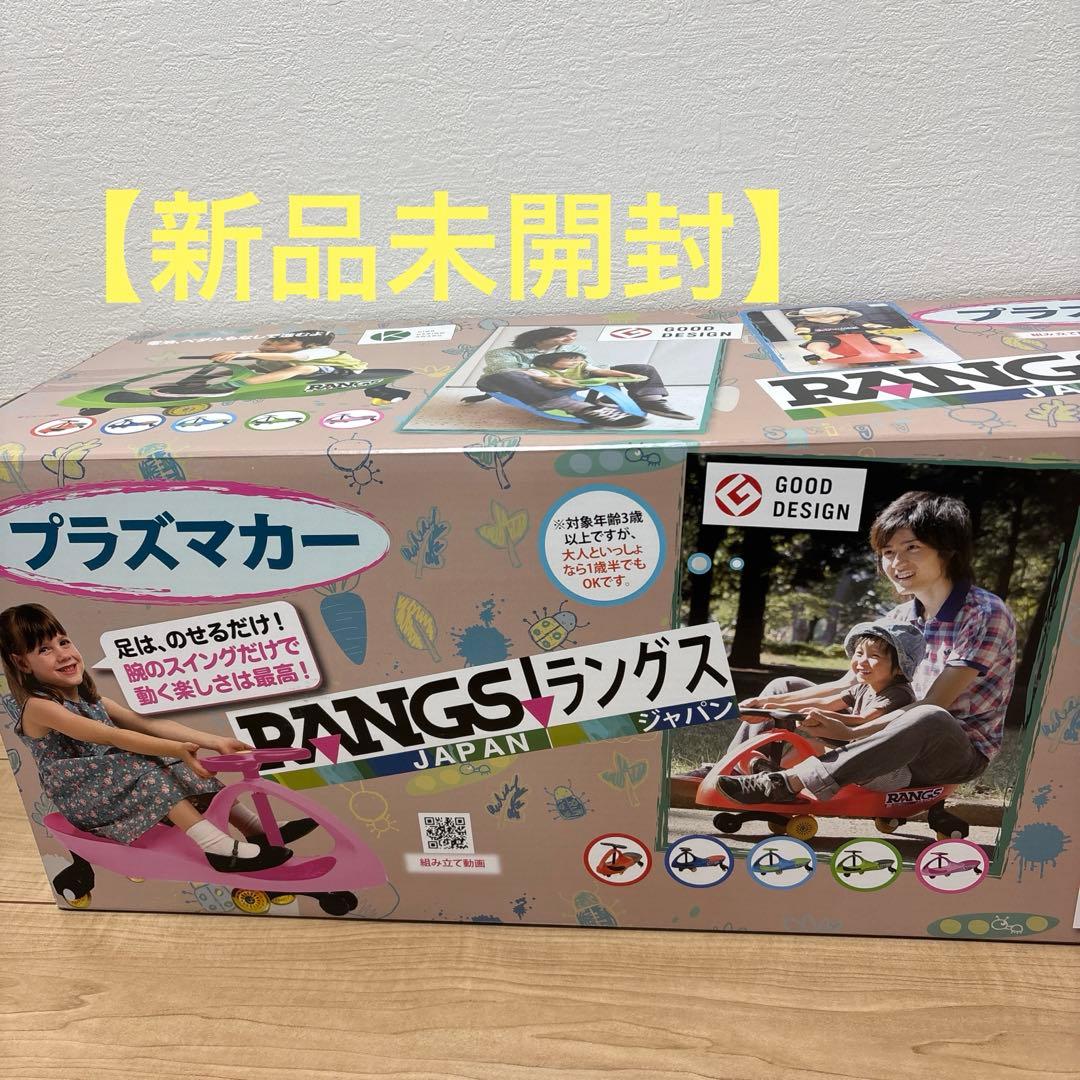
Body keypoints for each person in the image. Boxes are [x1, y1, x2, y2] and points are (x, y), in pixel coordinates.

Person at [715, 490, 1016, 804]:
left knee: (930, 715)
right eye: (888, 552)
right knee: (783, 686)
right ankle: (734, 771)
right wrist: (769, 704)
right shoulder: (899, 617)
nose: (896, 562)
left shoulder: (984, 614)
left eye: (912, 547)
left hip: (948, 751)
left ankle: (787, 783)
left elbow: (935, 702)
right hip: (880, 728)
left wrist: (853, 731)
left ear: (949, 550)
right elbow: (850, 684)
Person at [0, 604, 316, 872]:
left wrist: (213, 741)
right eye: (44, 650)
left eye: (64, 642)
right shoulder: (40, 707)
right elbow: (110, 736)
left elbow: (147, 723)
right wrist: (176, 749)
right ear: (21, 662)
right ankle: (217, 847)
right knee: (138, 761)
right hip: (84, 798)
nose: (63, 655)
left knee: (159, 755)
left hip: (111, 783)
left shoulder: (90, 699)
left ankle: (254, 828)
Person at [475, 326, 694, 423]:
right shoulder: (504, 353)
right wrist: (547, 377)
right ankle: (574, 407)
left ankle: (650, 400)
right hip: (521, 381)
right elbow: (503, 370)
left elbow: (590, 367)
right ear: (540, 338)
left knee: (643, 369)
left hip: (574, 378)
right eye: (565, 336)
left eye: (572, 336)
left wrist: (623, 375)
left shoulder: (574, 350)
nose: (570, 339)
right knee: (510, 375)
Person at [151, 331, 411, 403]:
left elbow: (296, 359)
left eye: (284, 342)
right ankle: (192, 385)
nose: (274, 345)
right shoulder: (274, 352)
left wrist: (243, 353)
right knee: (246, 366)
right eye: (273, 341)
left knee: (302, 369)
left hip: (339, 371)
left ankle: (229, 388)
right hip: (305, 367)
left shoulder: (322, 352)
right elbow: (264, 358)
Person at [786, 306, 921, 365]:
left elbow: (867, 325)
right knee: (817, 344)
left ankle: (898, 347)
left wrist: (876, 326)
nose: (821, 319)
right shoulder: (808, 323)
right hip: (827, 337)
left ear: (844, 316)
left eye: (828, 316)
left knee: (882, 338)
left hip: (860, 335)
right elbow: (802, 328)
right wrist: (802, 330)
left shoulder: (852, 321)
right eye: (814, 317)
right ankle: (824, 353)